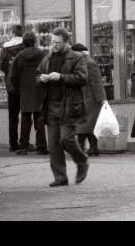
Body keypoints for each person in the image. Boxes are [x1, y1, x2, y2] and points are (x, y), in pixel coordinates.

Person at [36, 27, 89, 187]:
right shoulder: (48, 57)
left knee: (66, 138)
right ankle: (60, 177)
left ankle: (82, 161)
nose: (54, 45)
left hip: (69, 105)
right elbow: (37, 75)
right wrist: (41, 79)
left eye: (58, 42)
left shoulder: (76, 57)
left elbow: (82, 78)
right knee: (53, 144)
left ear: (66, 42)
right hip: (50, 105)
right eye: (52, 42)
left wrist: (61, 77)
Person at [9, 32, 47, 155]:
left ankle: (23, 146)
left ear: (24, 43)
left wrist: (18, 88)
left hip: (24, 90)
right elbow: (47, 69)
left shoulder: (19, 57)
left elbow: (13, 76)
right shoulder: (42, 54)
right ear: (35, 41)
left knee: (25, 118)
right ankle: (41, 147)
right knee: (39, 119)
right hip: (39, 89)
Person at [71, 43, 107, 157]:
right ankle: (90, 147)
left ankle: (89, 147)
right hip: (83, 98)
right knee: (85, 125)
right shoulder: (79, 63)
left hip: (90, 99)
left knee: (87, 125)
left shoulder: (89, 63)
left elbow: (97, 83)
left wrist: (102, 99)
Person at [0, 24, 25, 152]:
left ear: (12, 33)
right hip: (25, 86)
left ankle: (13, 144)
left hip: (11, 86)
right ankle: (24, 143)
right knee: (26, 115)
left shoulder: (6, 47)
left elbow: (2, 66)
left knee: (13, 116)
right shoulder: (26, 46)